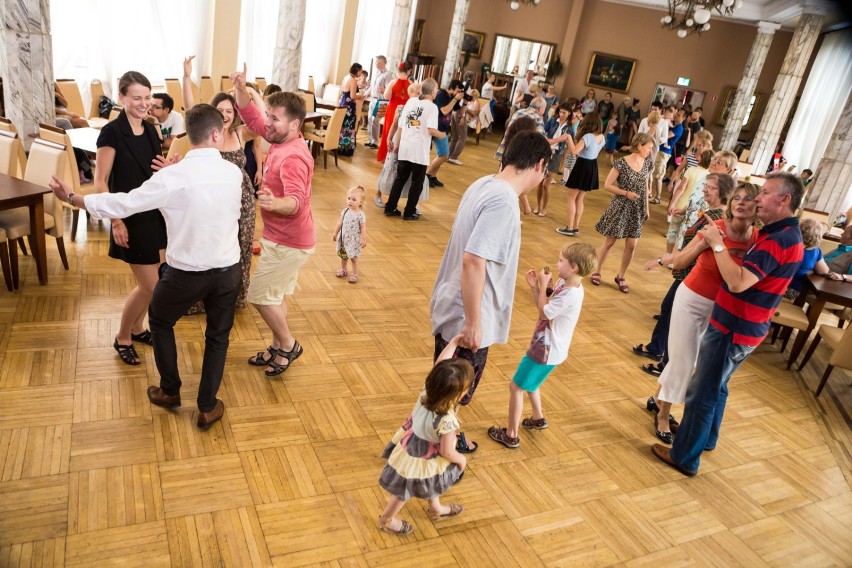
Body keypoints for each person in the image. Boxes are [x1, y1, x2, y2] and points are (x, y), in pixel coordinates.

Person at [51, 103, 243, 431]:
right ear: (216, 133)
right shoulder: (232, 172)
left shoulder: (173, 176)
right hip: (228, 269)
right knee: (218, 337)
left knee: (161, 320)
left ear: (189, 135)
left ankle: (170, 390)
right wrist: (167, 177)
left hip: (186, 273)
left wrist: (72, 197)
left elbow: (124, 202)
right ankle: (208, 407)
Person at [653, 172, 805, 476]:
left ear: (785, 199)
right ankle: (706, 439)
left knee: (702, 391)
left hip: (734, 326)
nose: (757, 199)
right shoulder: (783, 235)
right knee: (717, 386)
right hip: (744, 326)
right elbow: (685, 260)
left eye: (764, 193)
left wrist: (717, 245)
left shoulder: (775, 240)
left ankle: (684, 457)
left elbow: (736, 283)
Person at [430, 131, 553, 453]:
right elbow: (473, 260)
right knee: (455, 390)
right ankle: (443, 447)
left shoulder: (485, 183)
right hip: (469, 312)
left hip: (455, 303)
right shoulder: (502, 201)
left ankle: (443, 435)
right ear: (540, 165)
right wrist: (473, 323)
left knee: (447, 384)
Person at [648, 183, 759, 444]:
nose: (740, 202)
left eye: (748, 199)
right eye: (737, 198)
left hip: (722, 308)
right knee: (682, 361)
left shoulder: (758, 240)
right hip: (691, 299)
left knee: (695, 363)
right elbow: (681, 261)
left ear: (758, 206)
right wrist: (703, 245)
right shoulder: (715, 227)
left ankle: (656, 399)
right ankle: (664, 414)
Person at [231, 66, 315, 378]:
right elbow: (252, 118)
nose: (267, 123)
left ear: (295, 124)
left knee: (260, 296)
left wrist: (273, 202)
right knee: (274, 295)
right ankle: (277, 346)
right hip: (281, 237)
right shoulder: (282, 138)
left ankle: (289, 345)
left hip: (289, 242)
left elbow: (297, 201)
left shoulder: (294, 156)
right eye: (269, 115)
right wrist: (241, 89)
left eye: (274, 118)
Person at [487, 243, 597, 448]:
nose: (557, 263)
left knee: (516, 387)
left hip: (545, 349)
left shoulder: (569, 294)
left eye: (561, 261)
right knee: (532, 384)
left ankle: (511, 434)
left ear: (573, 267)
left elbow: (543, 312)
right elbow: (544, 304)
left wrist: (541, 284)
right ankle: (538, 418)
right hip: (553, 349)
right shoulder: (568, 286)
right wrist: (536, 287)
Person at [93, 71, 167, 366]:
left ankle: (138, 328)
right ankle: (123, 335)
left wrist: (167, 168)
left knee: (157, 280)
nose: (143, 104)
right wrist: (116, 221)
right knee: (148, 285)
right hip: (129, 216)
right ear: (121, 97)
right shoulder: (111, 133)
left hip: (154, 214)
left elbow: (154, 174)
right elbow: (100, 182)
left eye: (147, 98)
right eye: (136, 98)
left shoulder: (151, 131)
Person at [633, 174, 736, 378]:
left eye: (711, 188)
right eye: (706, 185)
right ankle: (660, 353)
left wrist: (662, 260)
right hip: (690, 272)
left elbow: (694, 250)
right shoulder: (713, 213)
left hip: (694, 274)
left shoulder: (716, 219)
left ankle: (664, 362)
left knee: (674, 316)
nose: (705, 189)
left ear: (723, 193)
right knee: (670, 311)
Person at [182, 56, 263, 310]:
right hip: (211, 200)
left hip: (242, 200)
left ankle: (234, 297)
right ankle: (204, 299)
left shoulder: (241, 133)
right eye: (221, 111)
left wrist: (245, 89)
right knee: (211, 247)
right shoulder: (208, 134)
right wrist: (186, 77)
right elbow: (189, 107)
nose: (226, 115)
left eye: (230, 111)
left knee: (241, 247)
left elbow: (262, 119)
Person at [378, 335, 471, 535]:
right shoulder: (447, 420)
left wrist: (453, 343)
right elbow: (447, 450)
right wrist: (461, 459)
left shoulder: (428, 392)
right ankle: (386, 520)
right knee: (404, 490)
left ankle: (436, 509)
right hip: (420, 458)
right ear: (457, 395)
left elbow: (440, 364)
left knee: (431, 479)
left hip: (412, 446)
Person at [591, 133, 654, 293]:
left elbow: (646, 186)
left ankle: (621, 275)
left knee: (632, 245)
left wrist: (646, 208)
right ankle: (597, 270)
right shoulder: (621, 163)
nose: (650, 151)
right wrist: (626, 193)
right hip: (621, 206)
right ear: (639, 145)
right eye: (649, 147)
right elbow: (607, 185)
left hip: (637, 208)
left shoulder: (647, 163)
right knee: (610, 241)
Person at [384, 78, 443, 221]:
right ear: (433, 92)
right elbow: (431, 130)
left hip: (405, 146)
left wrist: (397, 144)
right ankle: (409, 212)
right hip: (419, 151)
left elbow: (401, 126)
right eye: (436, 89)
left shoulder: (411, 102)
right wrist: (442, 134)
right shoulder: (432, 107)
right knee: (417, 183)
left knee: (400, 179)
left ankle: (390, 207)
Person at [375, 83, 427, 210]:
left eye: (421, 94)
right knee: (390, 167)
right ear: (410, 94)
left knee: (413, 174)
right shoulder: (401, 108)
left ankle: (413, 203)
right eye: (417, 93)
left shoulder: (424, 108)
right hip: (398, 141)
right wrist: (388, 138)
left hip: (412, 144)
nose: (419, 96)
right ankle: (378, 193)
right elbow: (394, 125)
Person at [556, 111, 606, 237]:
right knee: (580, 198)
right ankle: (575, 227)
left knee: (571, 198)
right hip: (592, 166)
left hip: (582, 166)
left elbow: (574, 151)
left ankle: (569, 227)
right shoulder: (601, 137)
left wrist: (568, 138)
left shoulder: (588, 136)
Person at [666, 149, 714, 255]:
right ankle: (676, 257)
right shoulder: (710, 176)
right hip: (696, 210)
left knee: (673, 230)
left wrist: (672, 203)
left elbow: (680, 188)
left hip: (681, 204)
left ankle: (668, 254)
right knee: (685, 234)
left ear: (701, 158)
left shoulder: (692, 170)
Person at [426, 80, 464, 188]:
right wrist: (455, 99)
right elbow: (444, 111)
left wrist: (464, 102)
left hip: (444, 128)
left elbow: (459, 113)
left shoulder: (451, 97)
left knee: (442, 155)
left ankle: (432, 176)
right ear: (452, 87)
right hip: (437, 128)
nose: (458, 92)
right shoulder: (441, 95)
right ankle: (427, 175)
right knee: (444, 155)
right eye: (458, 90)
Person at [538, 103, 574, 216]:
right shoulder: (553, 121)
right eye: (560, 112)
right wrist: (553, 140)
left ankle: (544, 208)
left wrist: (554, 141)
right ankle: (538, 206)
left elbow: (568, 142)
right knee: (539, 182)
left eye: (564, 112)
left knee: (546, 184)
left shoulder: (570, 128)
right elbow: (542, 131)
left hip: (557, 155)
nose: (561, 114)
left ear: (569, 114)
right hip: (545, 152)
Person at [377, 62, 412, 162]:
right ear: (409, 71)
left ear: (398, 70)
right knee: (403, 132)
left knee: (389, 131)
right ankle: (399, 156)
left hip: (393, 110)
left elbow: (386, 97)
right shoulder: (411, 84)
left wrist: (386, 90)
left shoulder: (392, 82)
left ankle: (386, 156)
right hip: (405, 110)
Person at [332, 185, 367, 283]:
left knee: (353, 258)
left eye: (354, 199)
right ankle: (343, 269)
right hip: (344, 238)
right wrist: (335, 233)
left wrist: (363, 239)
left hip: (354, 240)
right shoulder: (345, 211)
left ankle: (355, 274)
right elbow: (340, 223)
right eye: (349, 198)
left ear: (361, 202)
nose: (350, 201)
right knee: (343, 255)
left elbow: (363, 228)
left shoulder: (360, 215)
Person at [651, 106, 680, 205]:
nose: (674, 116)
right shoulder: (668, 123)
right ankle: (651, 193)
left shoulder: (678, 127)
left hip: (664, 153)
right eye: (669, 112)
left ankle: (658, 197)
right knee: (653, 173)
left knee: (658, 176)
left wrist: (663, 122)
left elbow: (667, 135)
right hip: (659, 150)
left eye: (676, 114)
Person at [366, 55, 394, 149]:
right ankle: (370, 140)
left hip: (381, 100)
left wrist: (384, 89)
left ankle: (375, 142)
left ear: (382, 62)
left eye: (377, 61)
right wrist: (367, 93)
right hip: (373, 99)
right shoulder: (376, 72)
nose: (375, 63)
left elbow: (390, 89)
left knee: (375, 120)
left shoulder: (388, 74)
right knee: (370, 119)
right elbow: (372, 86)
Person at [338, 63, 365, 157]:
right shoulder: (353, 80)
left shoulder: (346, 77)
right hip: (349, 105)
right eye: (361, 71)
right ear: (357, 70)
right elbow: (353, 96)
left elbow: (341, 91)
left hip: (343, 102)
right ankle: (345, 149)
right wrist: (362, 96)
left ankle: (338, 146)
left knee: (343, 125)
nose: (361, 73)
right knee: (348, 126)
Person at [447, 90, 480, 166]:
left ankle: (449, 155)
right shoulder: (467, 100)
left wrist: (465, 110)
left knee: (455, 137)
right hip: (460, 116)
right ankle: (453, 157)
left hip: (457, 115)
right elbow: (468, 112)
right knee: (462, 138)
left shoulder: (475, 102)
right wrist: (463, 115)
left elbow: (474, 114)